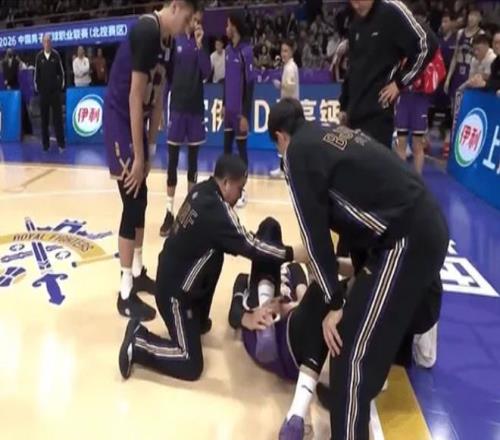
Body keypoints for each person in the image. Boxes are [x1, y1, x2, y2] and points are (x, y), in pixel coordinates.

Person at [268, 99, 449, 440]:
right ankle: (360, 390)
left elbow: (314, 236)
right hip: (420, 227)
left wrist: (335, 304)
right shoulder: (328, 133)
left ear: (280, 137)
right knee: (360, 338)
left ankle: (354, 397)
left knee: (348, 352)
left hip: (405, 239)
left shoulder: (296, 154)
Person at [118, 155, 307, 382]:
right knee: (190, 364)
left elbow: (241, 242)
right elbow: (251, 246)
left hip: (175, 277)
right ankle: (139, 341)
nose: (240, 195)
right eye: (239, 189)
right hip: (174, 296)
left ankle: (195, 319)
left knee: (215, 253)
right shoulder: (215, 210)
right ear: (226, 183)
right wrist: (293, 253)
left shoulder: (202, 190)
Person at [104, 0, 198, 321]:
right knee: (132, 201)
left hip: (139, 124)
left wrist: (152, 145)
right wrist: (138, 154)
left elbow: (159, 99)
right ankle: (125, 292)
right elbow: (134, 96)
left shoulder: (170, 45)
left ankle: (138, 270)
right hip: (121, 119)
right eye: (188, 18)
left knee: (142, 200)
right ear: (175, 6)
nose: (189, 25)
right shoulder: (147, 30)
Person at [229, 217, 354, 439]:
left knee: (325, 294)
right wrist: (249, 316)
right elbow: (234, 315)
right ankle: (297, 414)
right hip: (263, 335)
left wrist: (290, 306)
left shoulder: (293, 269)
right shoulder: (243, 280)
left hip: (293, 340)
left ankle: (297, 417)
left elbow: (304, 296)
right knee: (270, 225)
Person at [339, 0, 437, 148]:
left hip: (378, 112)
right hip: (354, 113)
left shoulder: (392, 11)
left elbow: (426, 45)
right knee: (351, 162)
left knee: (375, 160)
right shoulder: (355, 22)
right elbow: (352, 67)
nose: (355, 4)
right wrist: (344, 106)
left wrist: (399, 82)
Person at [159, 9, 210, 237]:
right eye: (194, 20)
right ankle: (169, 213)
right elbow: (167, 79)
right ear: (188, 19)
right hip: (177, 109)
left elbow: (206, 73)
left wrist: (200, 46)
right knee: (172, 162)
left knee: (193, 163)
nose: (196, 24)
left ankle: (190, 211)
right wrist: (162, 108)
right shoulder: (175, 41)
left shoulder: (200, 45)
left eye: (200, 21)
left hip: (195, 110)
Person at [223, 12, 254, 208]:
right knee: (226, 151)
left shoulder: (246, 51)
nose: (226, 28)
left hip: (240, 113)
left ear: (234, 26)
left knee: (242, 152)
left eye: (228, 25)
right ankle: (225, 188)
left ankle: (242, 191)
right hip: (228, 111)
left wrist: (245, 114)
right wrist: (223, 104)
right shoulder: (227, 50)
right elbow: (226, 81)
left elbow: (250, 86)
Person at [270, 39, 300, 180]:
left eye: (286, 51)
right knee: (284, 139)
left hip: (290, 108)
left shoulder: (290, 67)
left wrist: (280, 85)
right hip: (288, 106)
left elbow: (291, 86)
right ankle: (284, 168)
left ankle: (285, 169)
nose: (283, 54)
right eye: (282, 51)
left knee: (285, 139)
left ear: (291, 52)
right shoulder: (288, 66)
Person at [34, 33, 65, 152]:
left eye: (48, 41)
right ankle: (45, 145)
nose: (47, 43)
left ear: (51, 42)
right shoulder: (39, 57)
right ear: (42, 43)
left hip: (54, 94)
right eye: (45, 41)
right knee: (44, 120)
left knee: (58, 120)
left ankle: (61, 144)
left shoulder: (56, 55)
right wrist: (40, 89)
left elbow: (61, 74)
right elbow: (36, 76)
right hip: (44, 94)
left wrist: (58, 87)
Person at [444, 8, 484, 101]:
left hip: (471, 72)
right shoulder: (460, 33)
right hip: (458, 71)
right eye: (471, 15)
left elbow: (481, 59)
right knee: (454, 100)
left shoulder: (481, 34)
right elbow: (454, 57)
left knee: (466, 101)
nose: (472, 18)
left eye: (475, 15)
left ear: (480, 19)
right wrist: (448, 79)